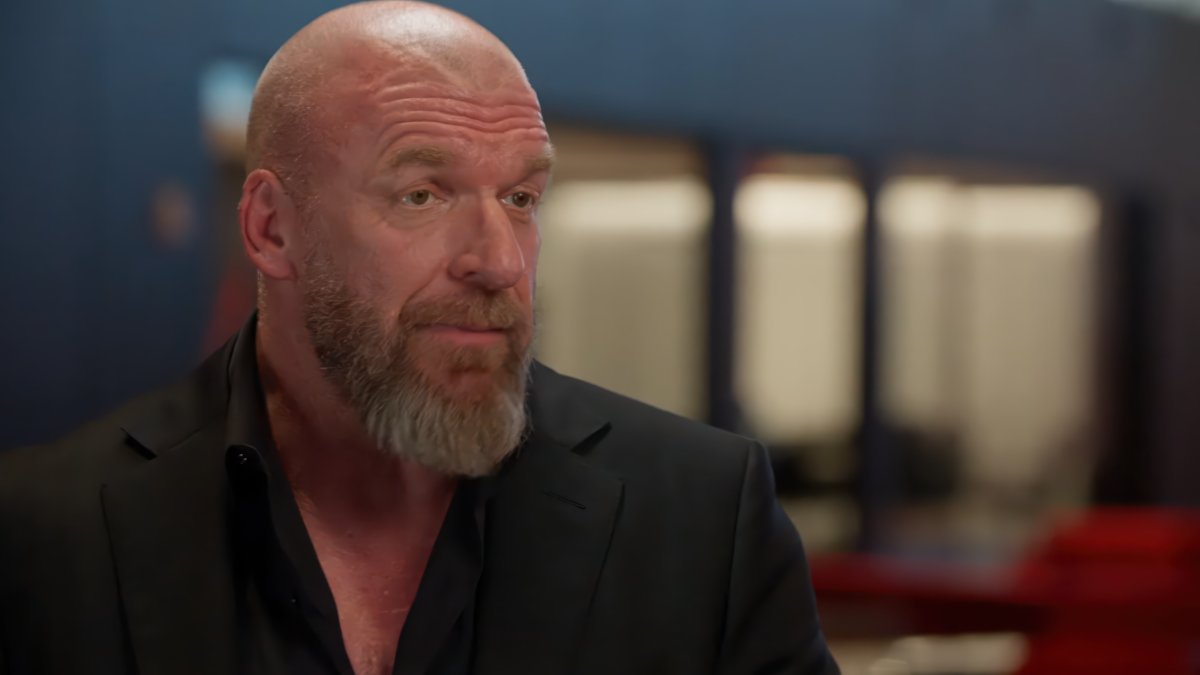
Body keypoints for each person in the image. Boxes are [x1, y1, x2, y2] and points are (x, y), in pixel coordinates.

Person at [0, 3, 839, 674]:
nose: (499, 262)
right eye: (422, 196)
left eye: (521, 198)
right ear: (271, 228)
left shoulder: (704, 520)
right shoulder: (45, 537)